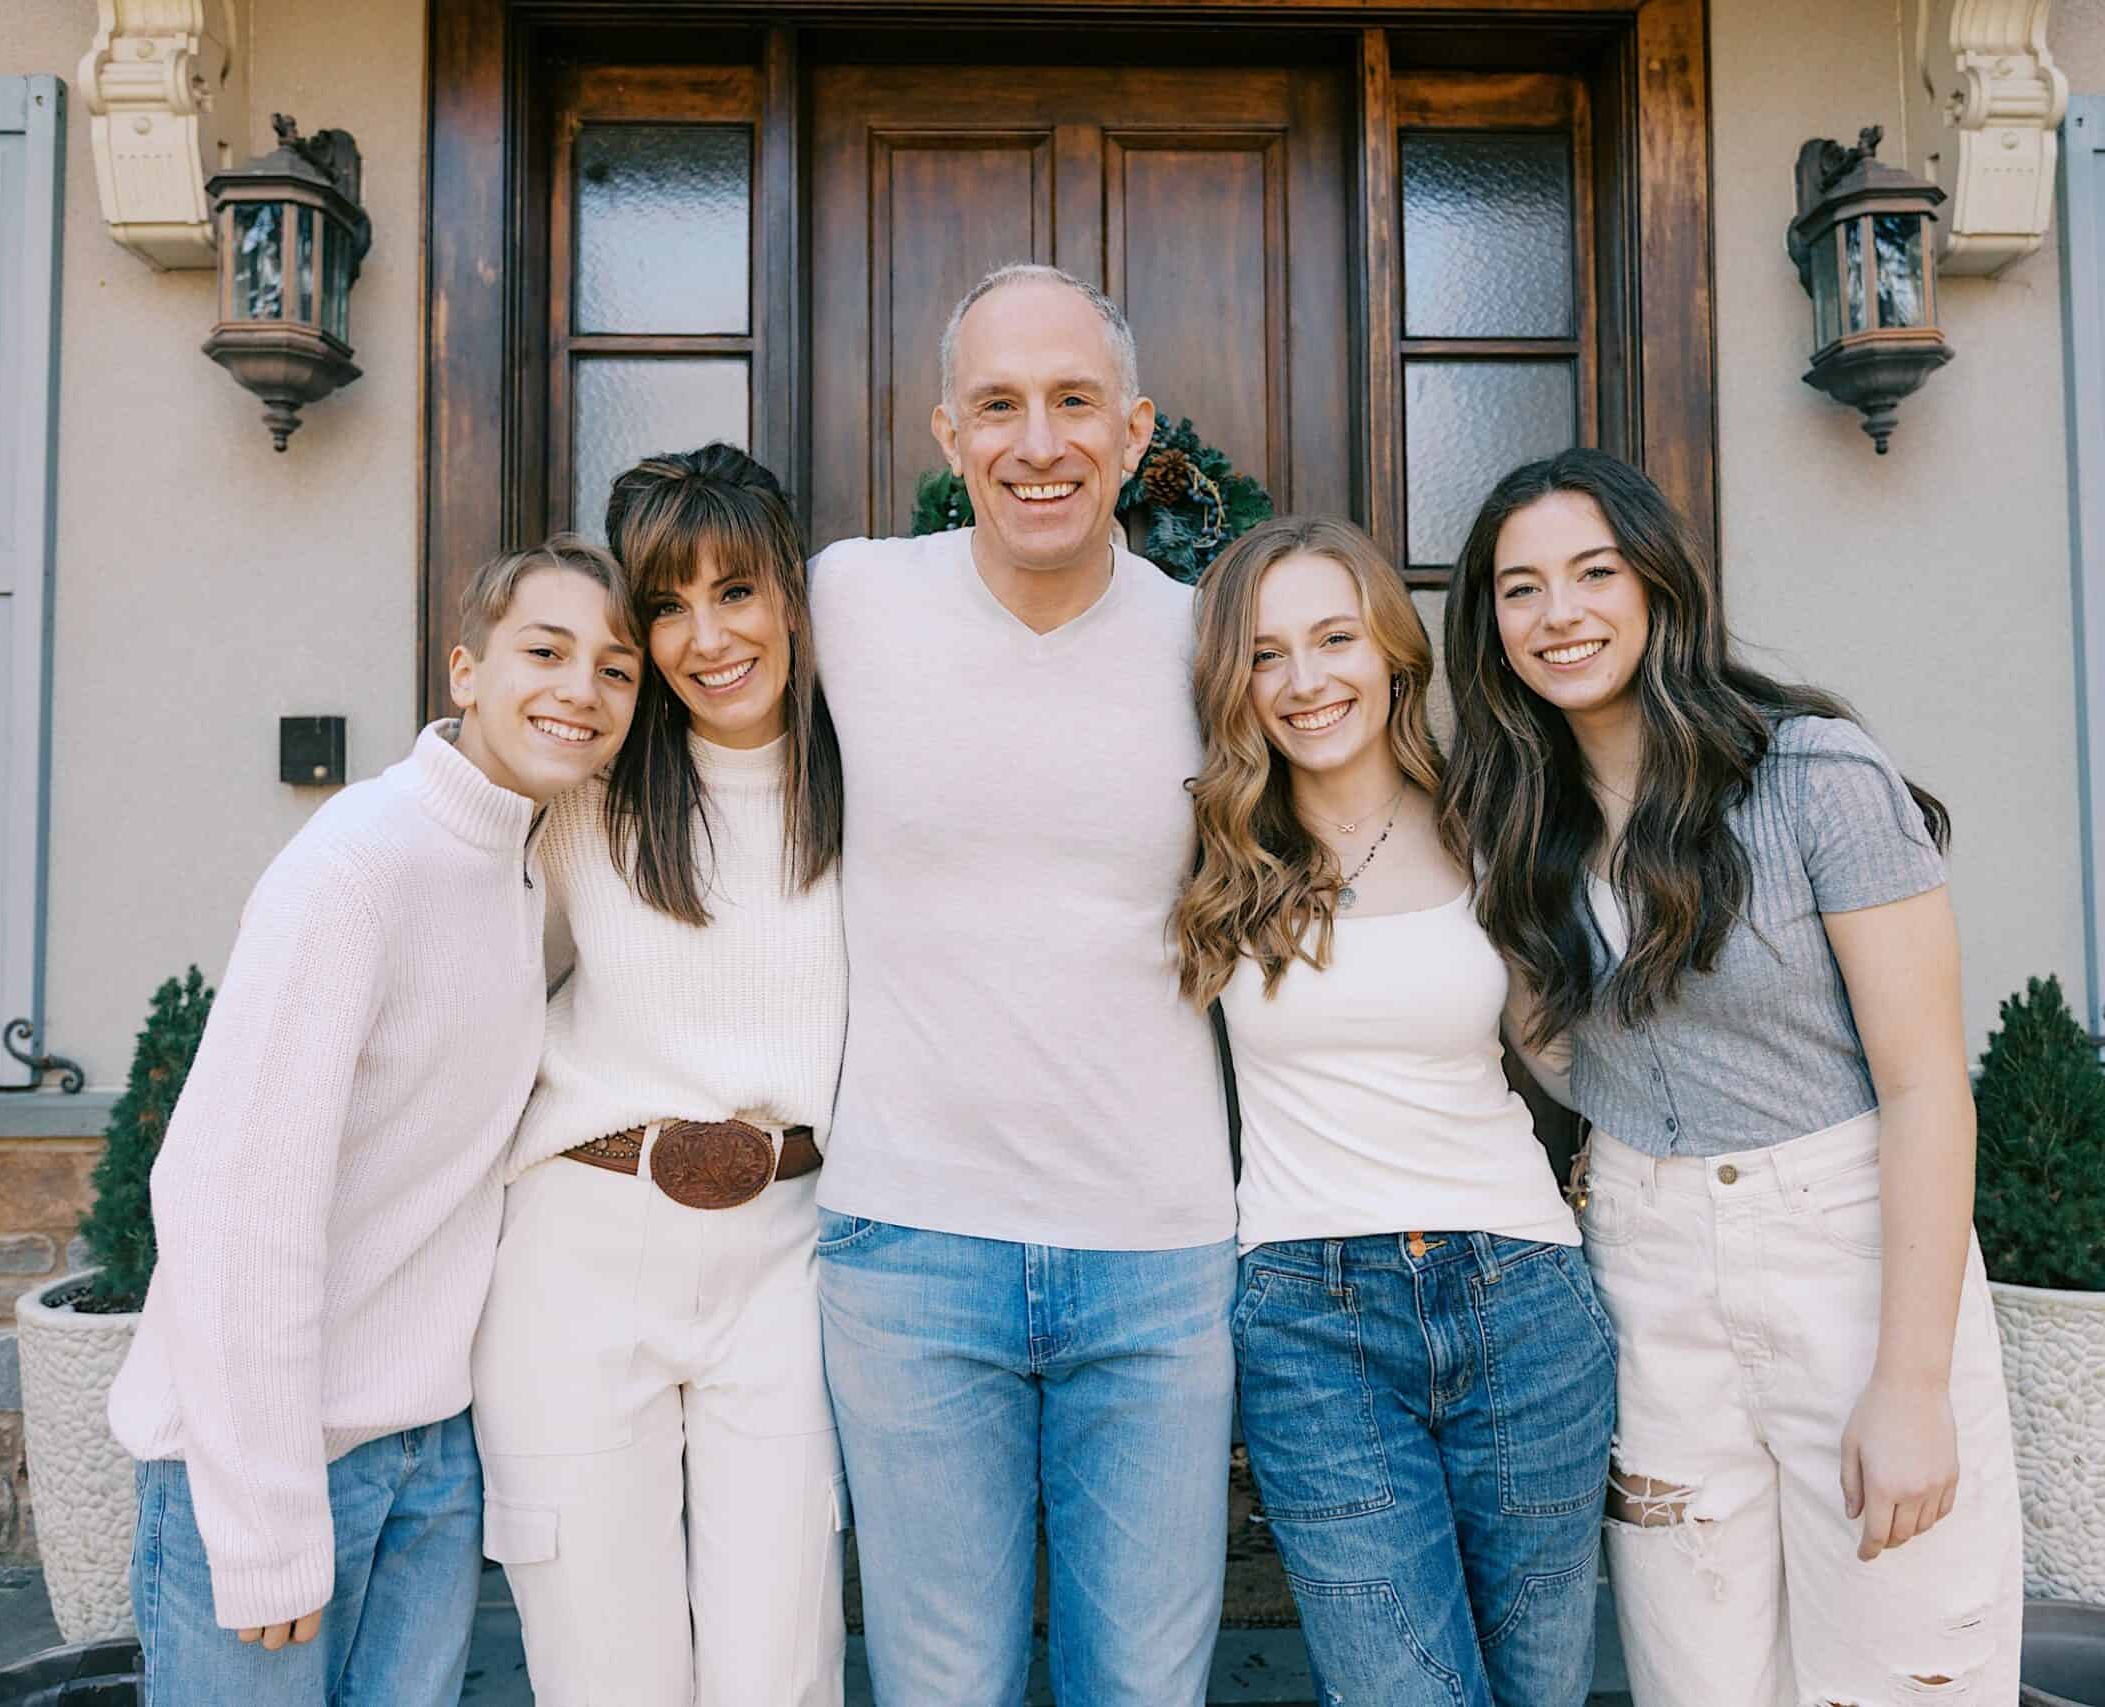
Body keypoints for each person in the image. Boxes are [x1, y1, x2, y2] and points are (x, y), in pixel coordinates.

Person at [1440, 448, 2024, 1706]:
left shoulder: (1814, 774)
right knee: (1694, 1673)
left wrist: (1911, 1386)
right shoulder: (1512, 817)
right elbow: (1554, 1042)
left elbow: (1926, 1086)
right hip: (1645, 1265)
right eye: (1520, 588)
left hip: (1847, 1250)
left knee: (1905, 1667)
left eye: (1593, 572)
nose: (1560, 615)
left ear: (1657, 585)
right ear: (1488, 624)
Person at [110, 540, 639, 1706]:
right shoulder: (356, 867)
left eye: (615, 671)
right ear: (464, 671)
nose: (580, 692)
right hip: (277, 1464)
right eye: (544, 652)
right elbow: (231, 1199)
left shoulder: (519, 865)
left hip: (429, 1457)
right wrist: (267, 1519)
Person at [807, 263, 1234, 1705]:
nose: (1036, 442)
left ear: (1134, 430)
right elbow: (643, 709)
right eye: (998, 405)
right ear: (946, 433)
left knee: (1148, 1688)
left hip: (1157, 1255)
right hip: (909, 1247)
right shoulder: (846, 601)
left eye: (1071, 403)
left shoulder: (1212, 645)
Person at [1171, 516, 1615, 1707]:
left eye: (1334, 638)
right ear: (1233, 682)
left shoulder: (1493, 822)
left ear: (1392, 653)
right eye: (1266, 654)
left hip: (1523, 1299)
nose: (1307, 681)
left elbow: (1566, 1057)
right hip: (1313, 1323)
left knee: (1540, 1686)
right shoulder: (1215, 855)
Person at [470, 445, 848, 1705]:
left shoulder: (872, 790)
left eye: (734, 591)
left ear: (789, 595)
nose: (706, 637)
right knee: (603, 1671)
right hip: (581, 1252)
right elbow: (471, 1000)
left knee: (777, 1666)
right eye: (667, 608)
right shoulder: (582, 794)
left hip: (786, 1260)